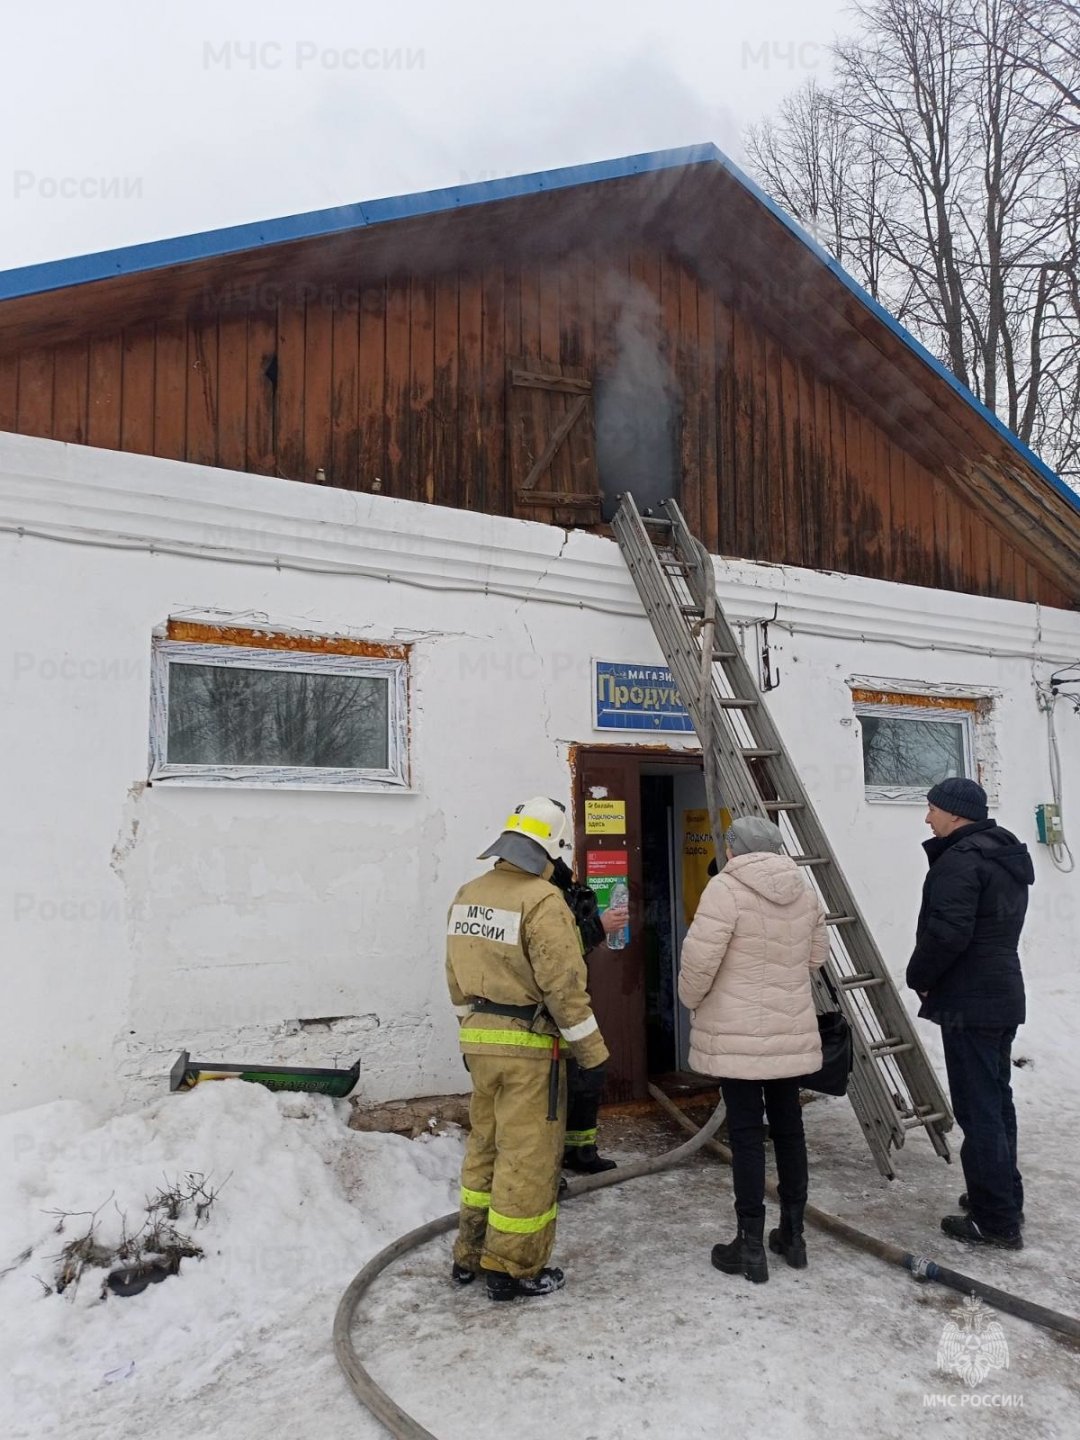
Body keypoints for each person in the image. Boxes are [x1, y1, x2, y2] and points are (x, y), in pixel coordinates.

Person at [445, 796, 610, 1301]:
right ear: (549, 849)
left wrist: (474, 1030)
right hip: (528, 1049)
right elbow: (563, 986)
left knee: (485, 1149)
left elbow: (454, 978)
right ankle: (513, 1268)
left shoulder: (467, 893)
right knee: (529, 1159)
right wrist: (593, 1053)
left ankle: (470, 1254)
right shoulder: (541, 901)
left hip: (479, 1042)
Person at [678, 815, 829, 1283]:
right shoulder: (805, 889)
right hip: (788, 1030)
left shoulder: (726, 889)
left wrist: (691, 998)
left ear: (734, 849)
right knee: (789, 1130)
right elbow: (816, 957)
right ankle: (794, 1236)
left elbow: (700, 961)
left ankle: (749, 1247)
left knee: (745, 1135)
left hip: (737, 1031)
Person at [905, 778, 1033, 1251]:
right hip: (1000, 994)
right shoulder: (1004, 856)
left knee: (979, 1110)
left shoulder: (962, 861)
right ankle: (1000, 1196)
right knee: (997, 1103)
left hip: (970, 1000)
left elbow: (949, 933)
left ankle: (995, 1220)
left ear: (956, 814)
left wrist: (919, 974)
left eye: (932, 809)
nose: (927, 818)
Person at [550, 859, 629, 1176]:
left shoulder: (560, 885)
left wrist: (583, 900)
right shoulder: (540, 896)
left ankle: (580, 1150)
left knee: (588, 1073)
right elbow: (559, 952)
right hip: (554, 1005)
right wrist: (599, 927)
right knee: (567, 1080)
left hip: (572, 1001)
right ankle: (556, 1159)